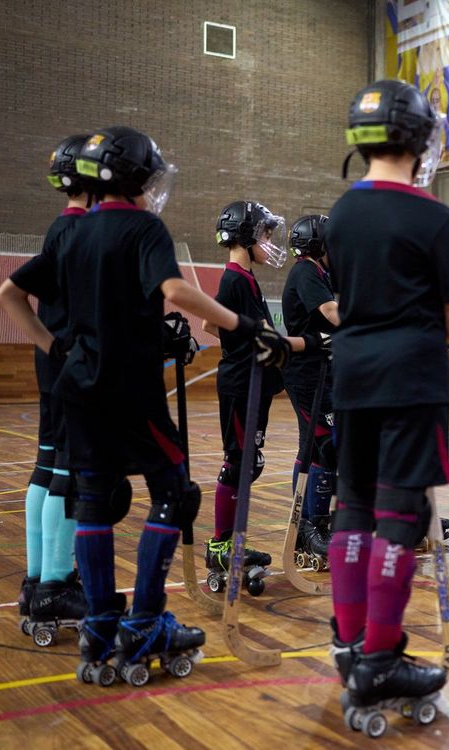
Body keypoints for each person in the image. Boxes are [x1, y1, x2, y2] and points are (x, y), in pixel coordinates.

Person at [0, 125, 291, 685]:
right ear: (133, 178)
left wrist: (56, 347)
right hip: (130, 391)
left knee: (92, 503)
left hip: (77, 389)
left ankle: (102, 627)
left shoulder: (69, 233)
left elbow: (7, 295)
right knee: (175, 495)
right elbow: (176, 291)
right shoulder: (142, 227)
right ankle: (147, 621)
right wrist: (248, 327)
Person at [324, 79, 449, 716]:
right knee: (401, 514)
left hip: (352, 376)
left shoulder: (341, 213)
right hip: (409, 378)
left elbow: (349, 301)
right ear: (421, 139)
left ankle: (349, 645)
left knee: (353, 507)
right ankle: (379, 659)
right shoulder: (431, 216)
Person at [0, 134, 90, 641]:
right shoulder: (80, 233)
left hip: (54, 367)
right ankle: (55, 583)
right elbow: (7, 295)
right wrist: (57, 348)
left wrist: (47, 348)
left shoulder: (60, 228)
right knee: (69, 474)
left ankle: (37, 581)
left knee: (47, 466)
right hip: (72, 369)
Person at [203, 201, 323, 593]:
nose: (270, 241)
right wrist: (311, 341)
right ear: (246, 236)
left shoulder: (244, 278)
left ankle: (229, 542)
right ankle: (222, 546)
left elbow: (212, 319)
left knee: (247, 463)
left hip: (254, 382)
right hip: (242, 385)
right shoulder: (236, 279)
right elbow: (227, 325)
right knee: (238, 462)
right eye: (266, 234)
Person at [281, 214, 339, 568]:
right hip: (304, 371)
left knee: (324, 444)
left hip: (323, 368)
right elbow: (332, 312)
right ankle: (308, 526)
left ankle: (317, 521)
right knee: (322, 444)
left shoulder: (320, 272)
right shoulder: (306, 270)